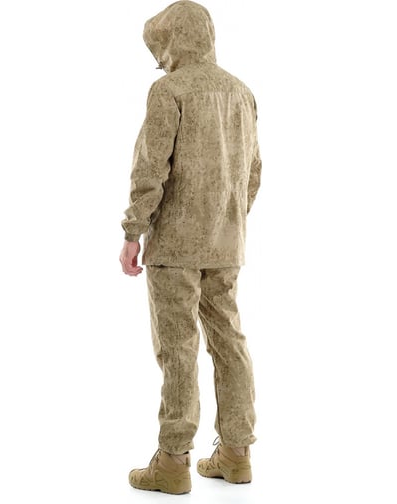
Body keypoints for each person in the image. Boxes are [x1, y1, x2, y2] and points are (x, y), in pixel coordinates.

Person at [119, 0, 262, 495]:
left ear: (171, 41)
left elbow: (150, 169)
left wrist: (133, 232)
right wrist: (229, 220)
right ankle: (237, 453)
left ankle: (173, 461)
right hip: (226, 242)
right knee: (230, 342)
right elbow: (253, 172)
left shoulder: (169, 90)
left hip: (174, 245)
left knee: (178, 348)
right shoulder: (241, 92)